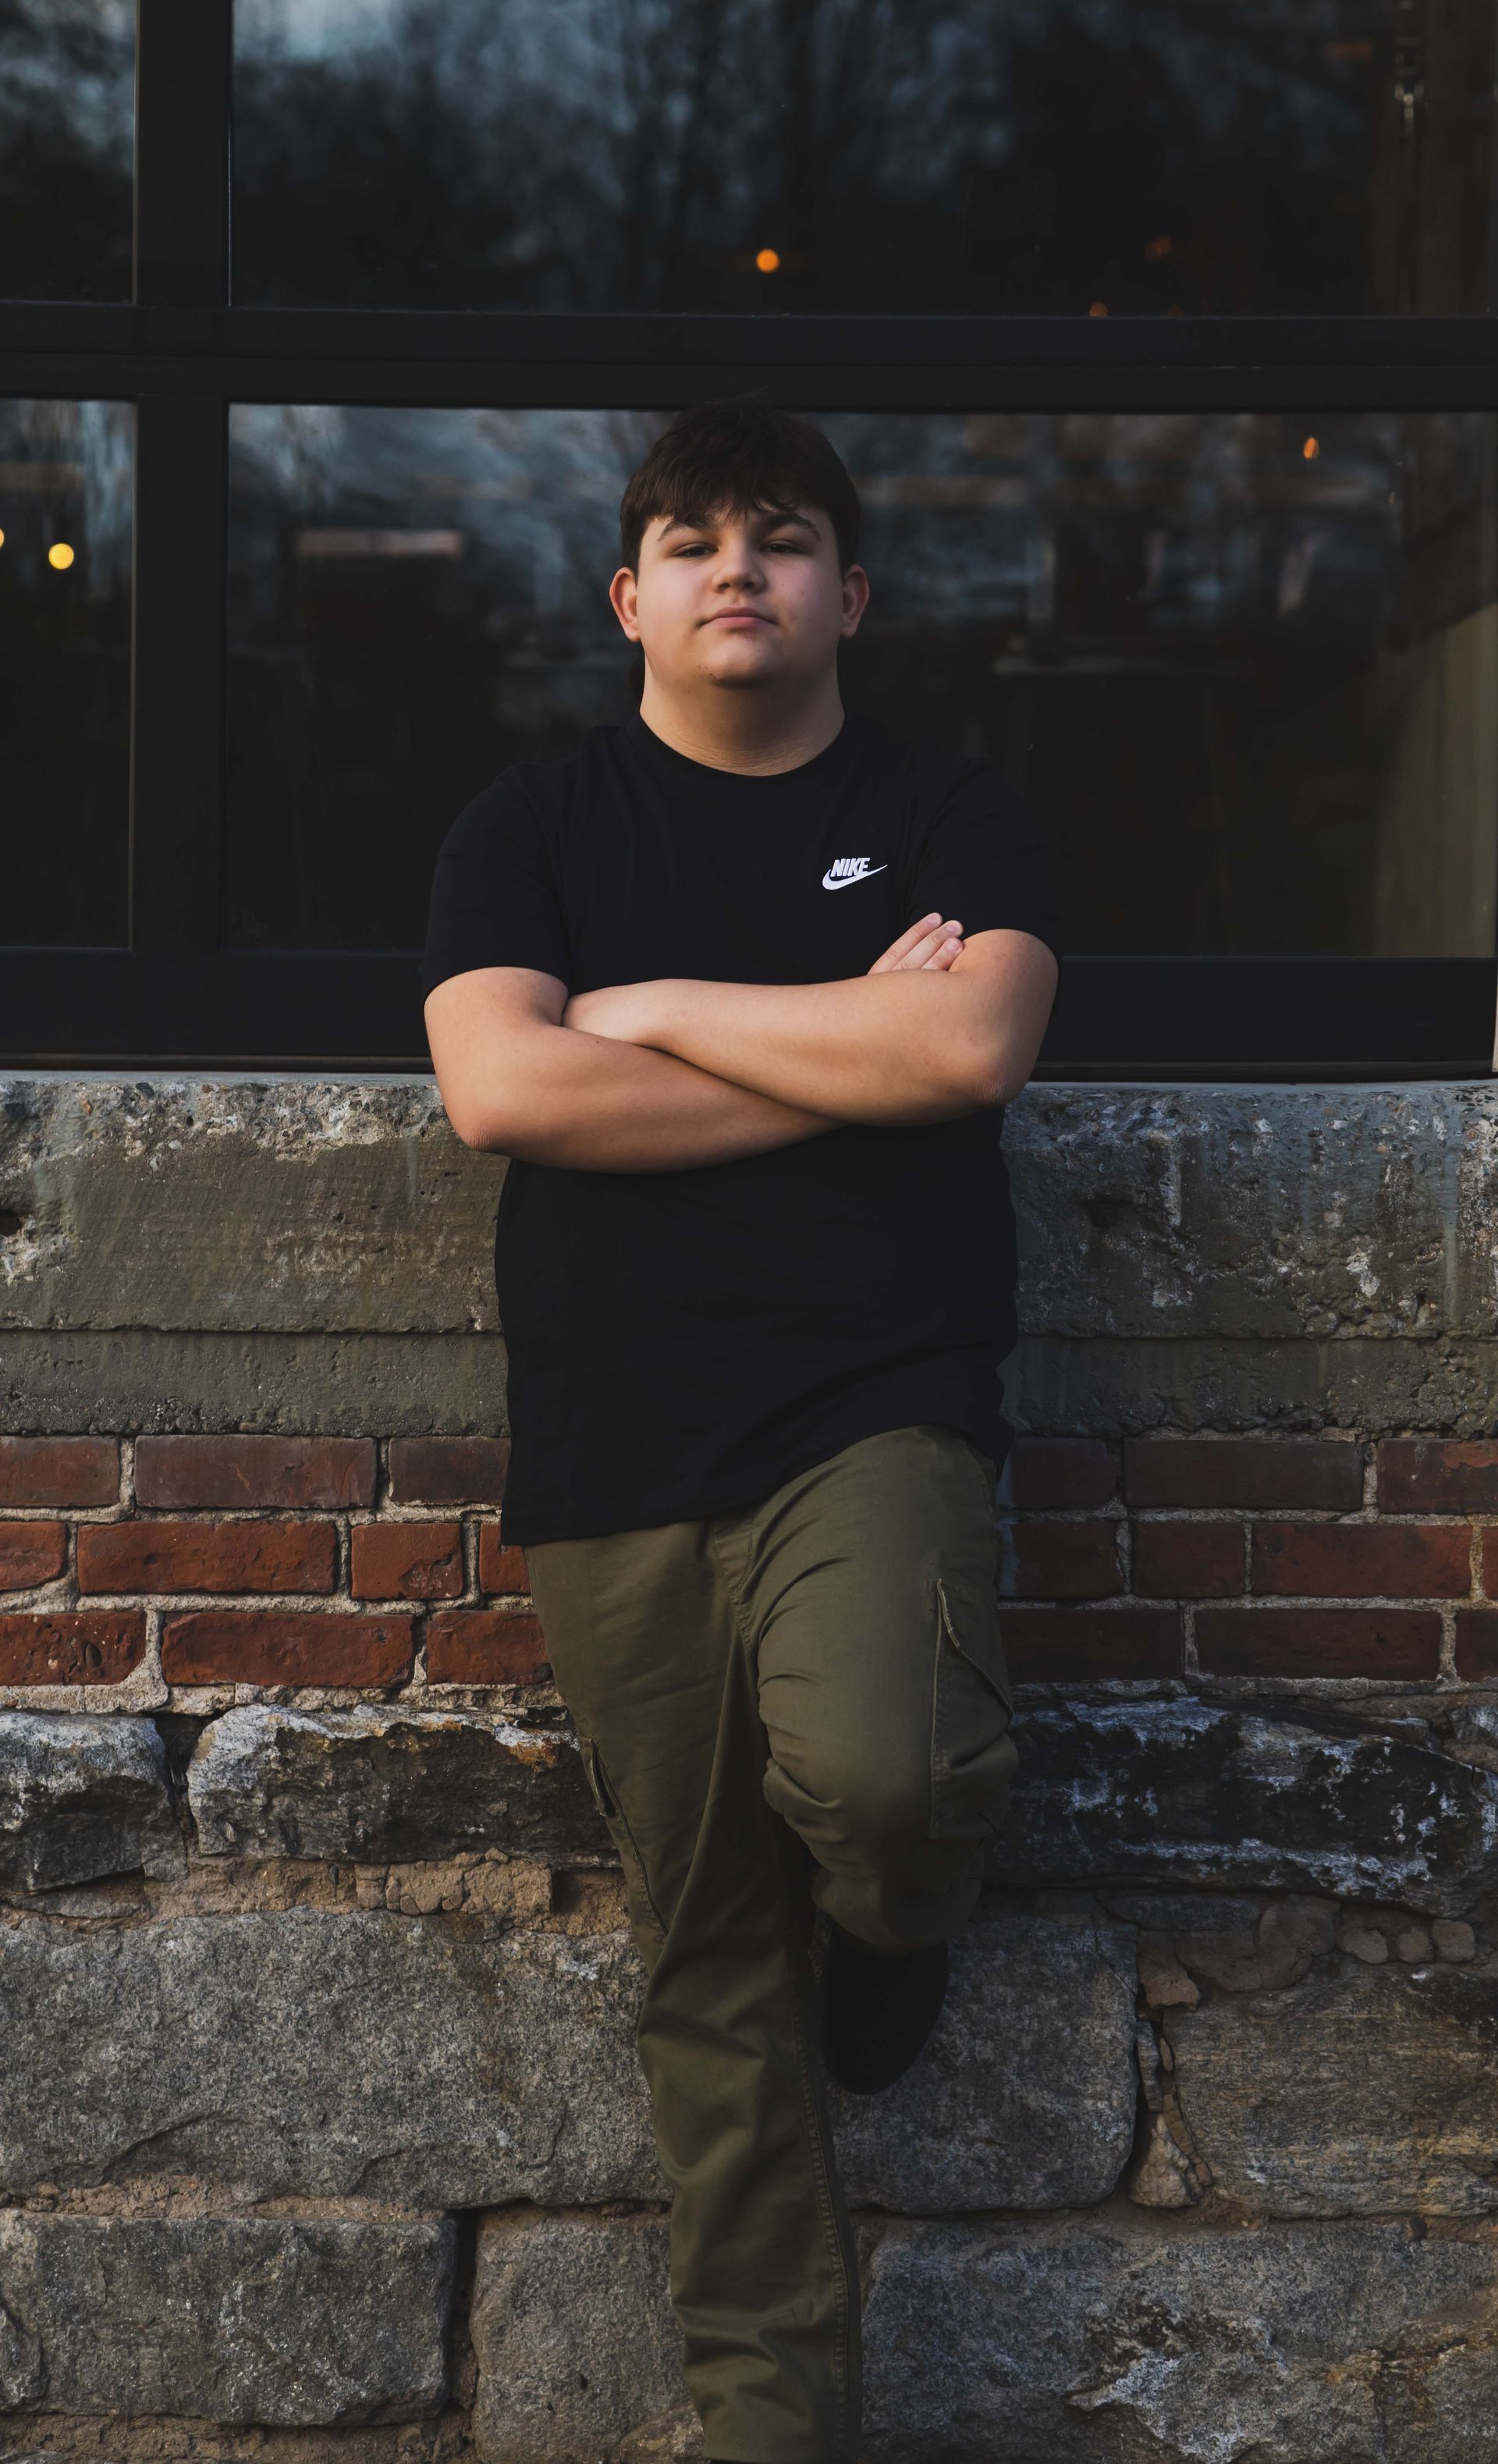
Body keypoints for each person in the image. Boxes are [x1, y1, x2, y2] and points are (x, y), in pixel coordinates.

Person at [421, 398, 1060, 2464]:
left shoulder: (951, 806)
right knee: (707, 1968)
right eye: (690, 540)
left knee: (890, 1779)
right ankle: (763, 2422)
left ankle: (894, 1943)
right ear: (628, 597)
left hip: (876, 1404)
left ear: (847, 593)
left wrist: (652, 1008)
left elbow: (967, 1041)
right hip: (618, 1443)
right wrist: (842, 1050)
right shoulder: (528, 825)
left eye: (781, 539)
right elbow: (507, 1096)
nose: (735, 569)